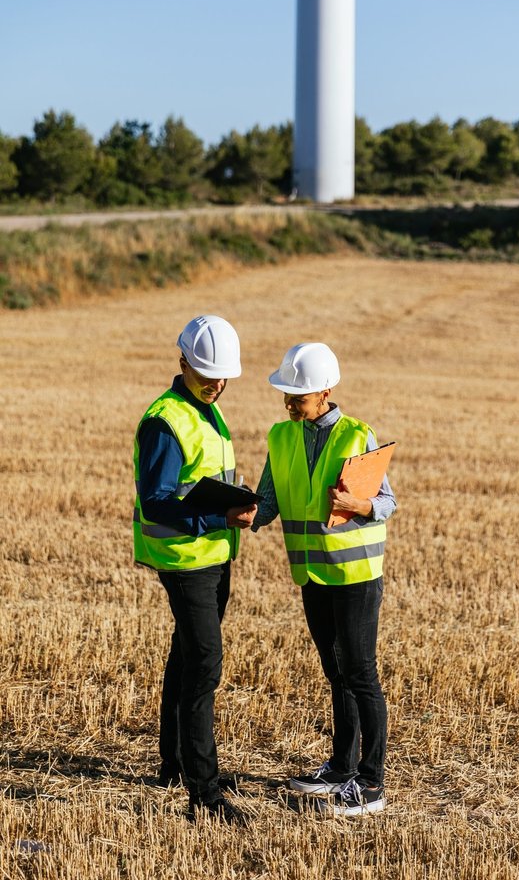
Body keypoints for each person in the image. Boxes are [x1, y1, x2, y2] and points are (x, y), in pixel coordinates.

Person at [252, 343, 396, 817]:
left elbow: (387, 503)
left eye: (298, 396)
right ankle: (340, 768)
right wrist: (234, 510)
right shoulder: (281, 437)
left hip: (355, 575)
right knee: (336, 673)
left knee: (361, 674)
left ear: (325, 392)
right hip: (312, 574)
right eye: (286, 395)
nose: (289, 404)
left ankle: (370, 785)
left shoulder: (358, 436)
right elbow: (267, 504)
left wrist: (360, 506)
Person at [133, 315, 257, 824]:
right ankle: (203, 793)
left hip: (213, 555)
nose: (217, 384)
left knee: (186, 658)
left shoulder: (206, 407)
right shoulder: (165, 420)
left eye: (223, 377)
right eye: (208, 375)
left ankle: (175, 765)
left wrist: (233, 503)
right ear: (182, 362)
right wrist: (220, 516)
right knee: (205, 665)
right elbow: (157, 502)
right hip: (185, 561)